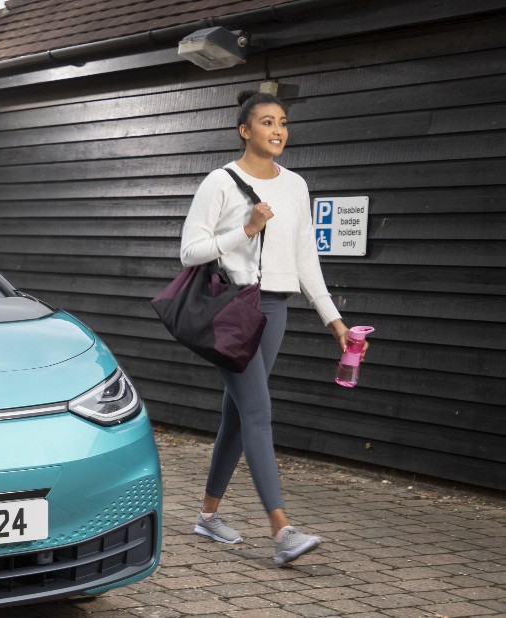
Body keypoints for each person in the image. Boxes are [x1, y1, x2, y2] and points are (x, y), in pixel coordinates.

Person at [179, 90, 367, 566]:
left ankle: (207, 516)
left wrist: (333, 318)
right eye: (266, 121)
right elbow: (189, 253)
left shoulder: (296, 185)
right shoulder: (220, 182)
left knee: (239, 417)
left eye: (282, 121)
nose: (278, 129)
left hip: (276, 309)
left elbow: (306, 256)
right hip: (233, 310)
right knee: (258, 411)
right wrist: (246, 228)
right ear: (246, 131)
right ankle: (282, 530)